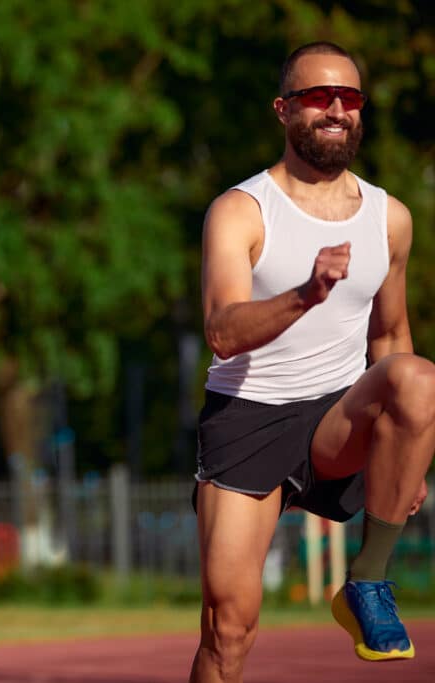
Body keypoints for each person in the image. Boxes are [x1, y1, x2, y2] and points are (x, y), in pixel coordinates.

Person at [189, 41, 435, 682]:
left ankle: (369, 580)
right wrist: (306, 294)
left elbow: (390, 335)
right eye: (318, 97)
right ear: (283, 110)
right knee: (228, 632)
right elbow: (221, 330)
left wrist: (406, 453)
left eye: (349, 98)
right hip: (249, 419)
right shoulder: (241, 211)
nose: (335, 109)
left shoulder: (391, 219)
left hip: (336, 419)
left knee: (418, 378)